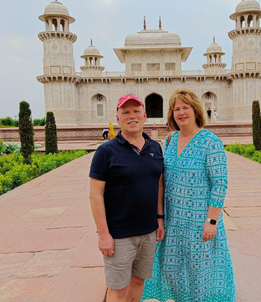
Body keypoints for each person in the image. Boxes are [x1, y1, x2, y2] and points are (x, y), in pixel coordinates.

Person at [142, 89, 235, 302]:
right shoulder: (170, 140)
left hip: (200, 221)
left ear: (195, 110)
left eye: (186, 107)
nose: (181, 112)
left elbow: (219, 184)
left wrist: (212, 221)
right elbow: (164, 181)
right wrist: (160, 218)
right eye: (176, 109)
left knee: (200, 271)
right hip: (175, 220)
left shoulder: (210, 141)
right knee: (173, 270)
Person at [89, 94, 165, 302]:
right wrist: (103, 234)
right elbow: (95, 194)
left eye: (136, 111)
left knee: (139, 281)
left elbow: (158, 183)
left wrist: (159, 219)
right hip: (119, 234)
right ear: (117, 117)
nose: (132, 116)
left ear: (144, 115)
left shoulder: (155, 147)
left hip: (148, 232)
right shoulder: (106, 151)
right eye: (126, 112)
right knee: (118, 289)